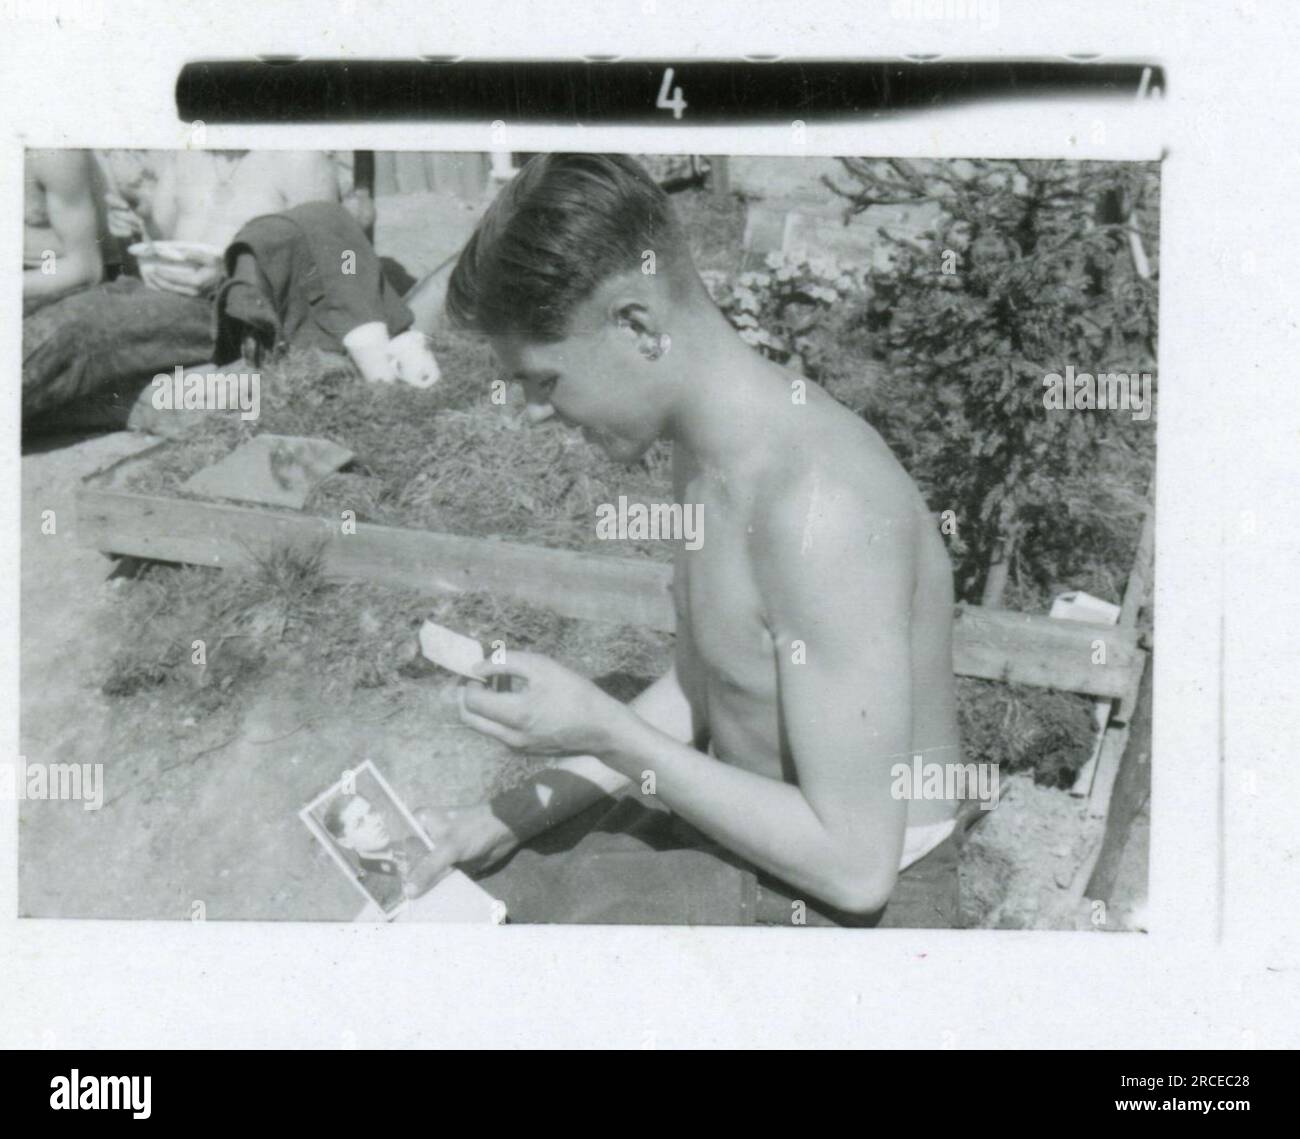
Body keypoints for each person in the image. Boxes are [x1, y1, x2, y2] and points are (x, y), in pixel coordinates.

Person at [408, 154, 968, 927]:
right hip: (768, 841)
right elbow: (713, 684)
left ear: (637, 326)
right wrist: (513, 812)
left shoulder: (823, 508)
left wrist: (603, 728)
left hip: (866, 894)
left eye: (543, 379)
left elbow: (859, 866)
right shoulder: (709, 448)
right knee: (460, 911)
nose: (532, 411)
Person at [323, 793, 427, 914]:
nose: (376, 822)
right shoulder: (368, 891)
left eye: (372, 812)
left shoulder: (414, 844)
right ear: (346, 842)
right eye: (360, 823)